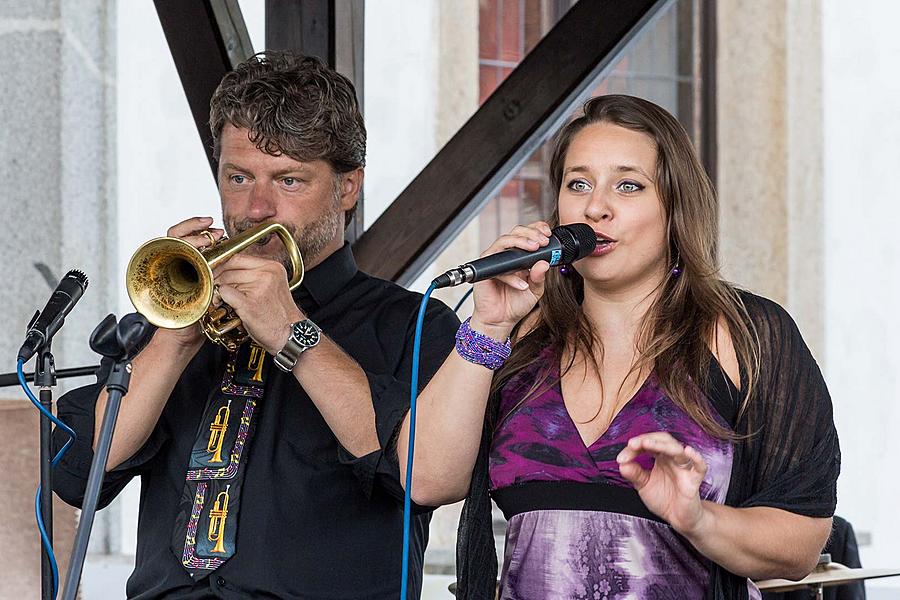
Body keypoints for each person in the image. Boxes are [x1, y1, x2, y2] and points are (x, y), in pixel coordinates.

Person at [52, 51, 459, 599]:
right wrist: (175, 338)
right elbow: (81, 472)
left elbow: (417, 475)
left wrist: (293, 332)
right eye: (238, 176)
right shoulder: (175, 322)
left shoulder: (414, 323)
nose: (257, 207)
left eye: (289, 181)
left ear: (348, 188)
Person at [400, 95, 841, 599]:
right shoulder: (517, 340)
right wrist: (488, 325)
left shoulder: (747, 334)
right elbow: (425, 481)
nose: (595, 207)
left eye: (628, 185)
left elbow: (799, 545)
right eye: (578, 184)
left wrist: (698, 519)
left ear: (675, 206)